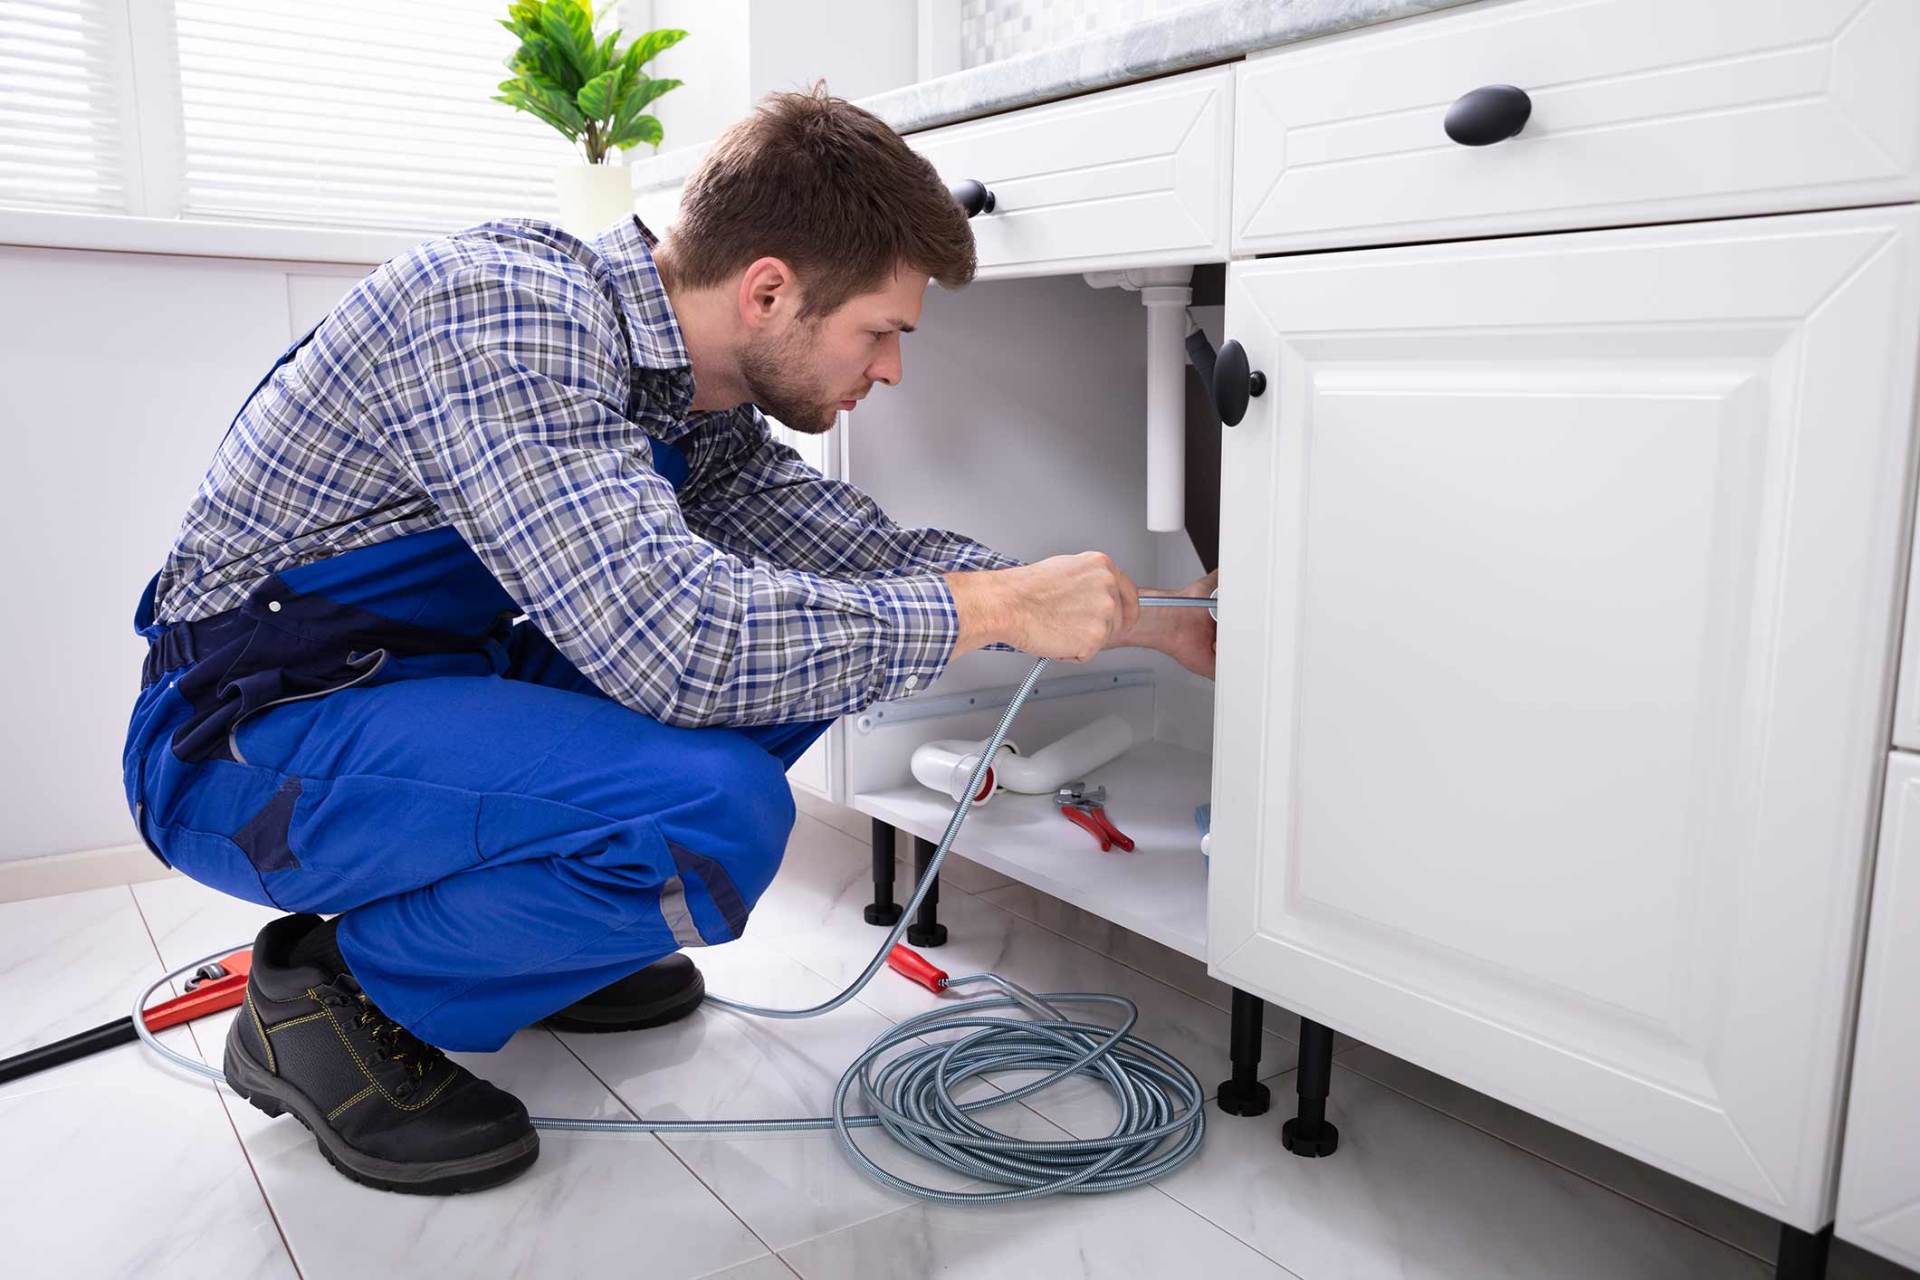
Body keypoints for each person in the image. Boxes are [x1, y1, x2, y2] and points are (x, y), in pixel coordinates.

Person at [121, 85, 1217, 1194]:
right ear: (769, 289)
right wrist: (989, 611)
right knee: (713, 808)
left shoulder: (696, 400)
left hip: (424, 688)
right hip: (248, 736)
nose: (890, 370)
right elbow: (681, 646)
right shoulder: (505, 314)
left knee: (817, 632)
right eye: (881, 332)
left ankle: (532, 946)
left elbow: (863, 558)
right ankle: (331, 997)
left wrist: (1155, 620)